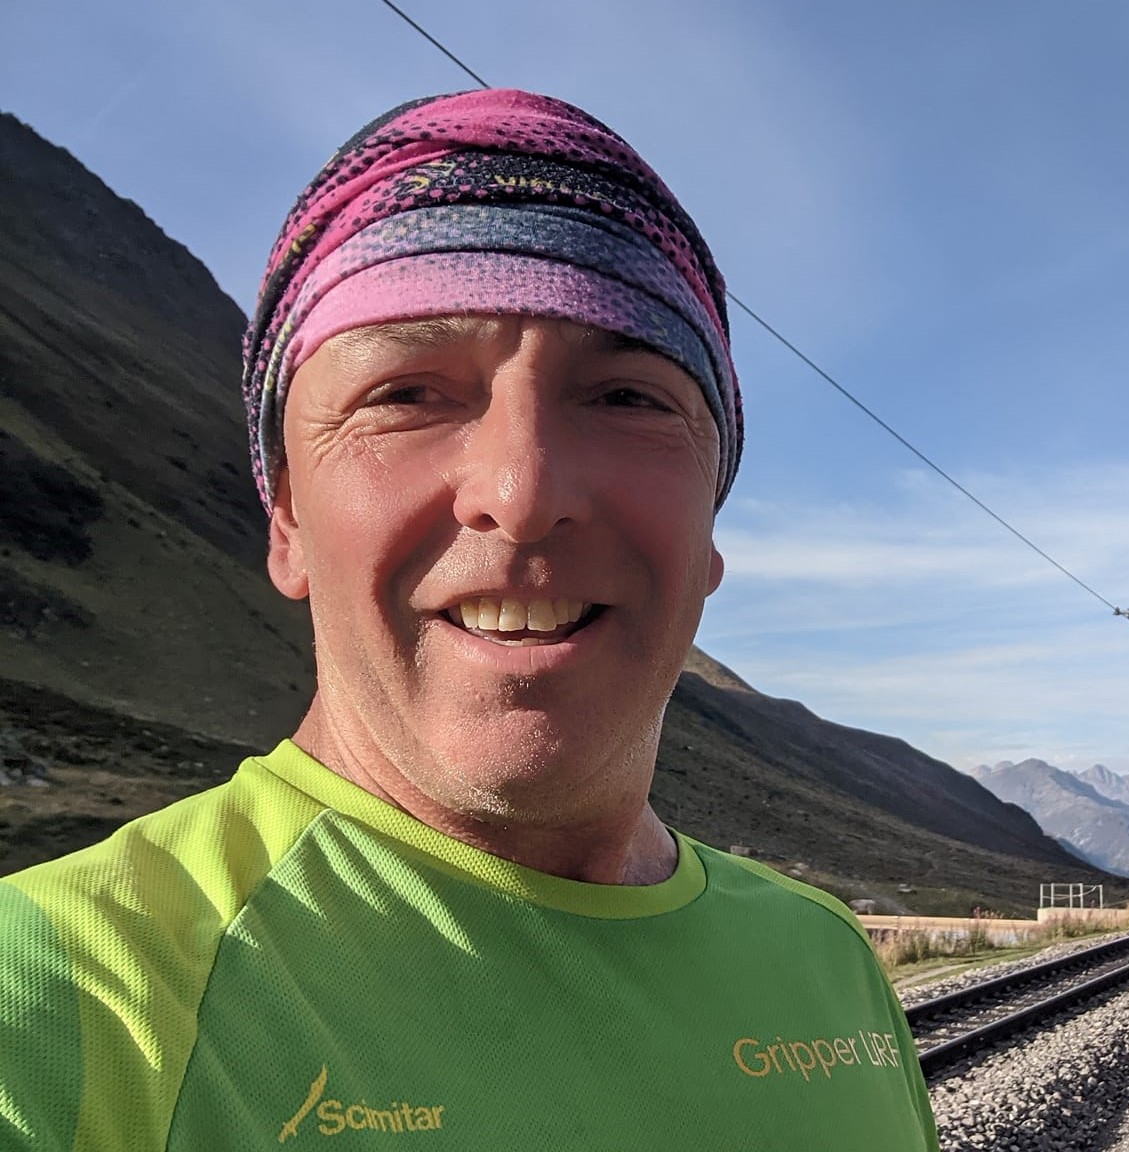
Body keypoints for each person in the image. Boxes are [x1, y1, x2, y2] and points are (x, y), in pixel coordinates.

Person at [0, 89, 940, 1150]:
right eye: (405, 394)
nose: (523, 490)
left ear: (710, 529)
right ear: (288, 524)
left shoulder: (828, 960)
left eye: (628, 396)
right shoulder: (59, 997)